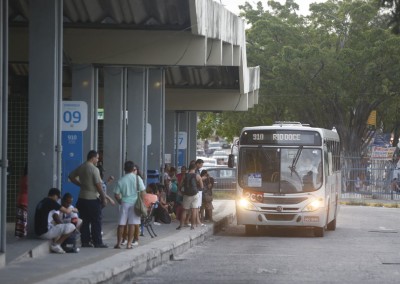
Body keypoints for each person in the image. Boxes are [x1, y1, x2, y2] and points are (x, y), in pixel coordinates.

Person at [68, 150, 108, 248]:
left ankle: (85, 241)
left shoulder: (82, 167)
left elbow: (71, 176)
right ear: (93, 157)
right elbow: (98, 185)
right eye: (97, 158)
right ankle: (97, 242)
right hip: (92, 199)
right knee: (96, 221)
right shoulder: (94, 169)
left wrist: (80, 185)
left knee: (85, 221)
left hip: (82, 198)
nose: (98, 160)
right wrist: (103, 198)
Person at [113, 161, 145, 249]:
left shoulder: (121, 180)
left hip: (124, 203)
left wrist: (120, 201)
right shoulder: (138, 179)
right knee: (132, 224)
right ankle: (129, 244)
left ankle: (118, 243)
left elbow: (116, 194)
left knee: (121, 224)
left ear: (124, 169)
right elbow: (143, 192)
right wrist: (141, 202)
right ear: (133, 169)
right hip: (135, 203)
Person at [34, 188, 77, 254]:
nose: (57, 199)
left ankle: (58, 244)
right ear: (55, 195)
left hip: (38, 232)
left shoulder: (42, 201)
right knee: (72, 226)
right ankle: (56, 245)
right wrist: (73, 209)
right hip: (45, 233)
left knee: (57, 225)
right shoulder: (51, 202)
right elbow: (67, 211)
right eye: (57, 197)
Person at [176, 163, 202, 230]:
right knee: (194, 210)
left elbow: (180, 185)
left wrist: (181, 192)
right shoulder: (197, 176)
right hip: (195, 194)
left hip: (186, 195)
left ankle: (181, 225)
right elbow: (202, 186)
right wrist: (197, 188)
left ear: (189, 168)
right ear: (195, 168)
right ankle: (192, 226)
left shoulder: (185, 175)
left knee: (184, 210)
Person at [15, 165, 28, 238]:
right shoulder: (29, 178)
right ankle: (24, 234)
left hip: (20, 198)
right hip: (26, 200)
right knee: (24, 218)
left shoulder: (23, 178)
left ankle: (20, 234)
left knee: (21, 219)